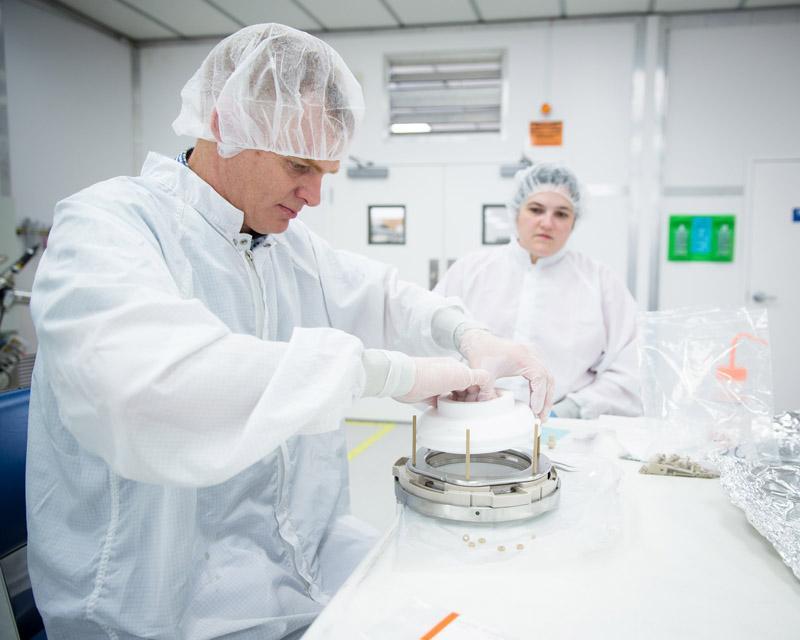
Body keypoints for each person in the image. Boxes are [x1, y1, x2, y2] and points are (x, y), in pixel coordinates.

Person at [26, 24, 553, 639]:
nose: (315, 195)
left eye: (327, 169)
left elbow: (383, 296)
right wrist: (390, 374)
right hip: (155, 607)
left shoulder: (283, 244)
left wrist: (468, 335)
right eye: (299, 165)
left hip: (295, 570)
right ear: (223, 125)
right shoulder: (109, 226)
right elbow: (157, 384)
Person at [435, 163, 641, 419]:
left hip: (564, 431)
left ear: (574, 222)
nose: (547, 223)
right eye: (536, 209)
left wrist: (576, 408)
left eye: (562, 214)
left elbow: (632, 362)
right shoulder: (471, 270)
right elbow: (433, 338)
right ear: (516, 212)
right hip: (473, 419)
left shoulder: (600, 281)